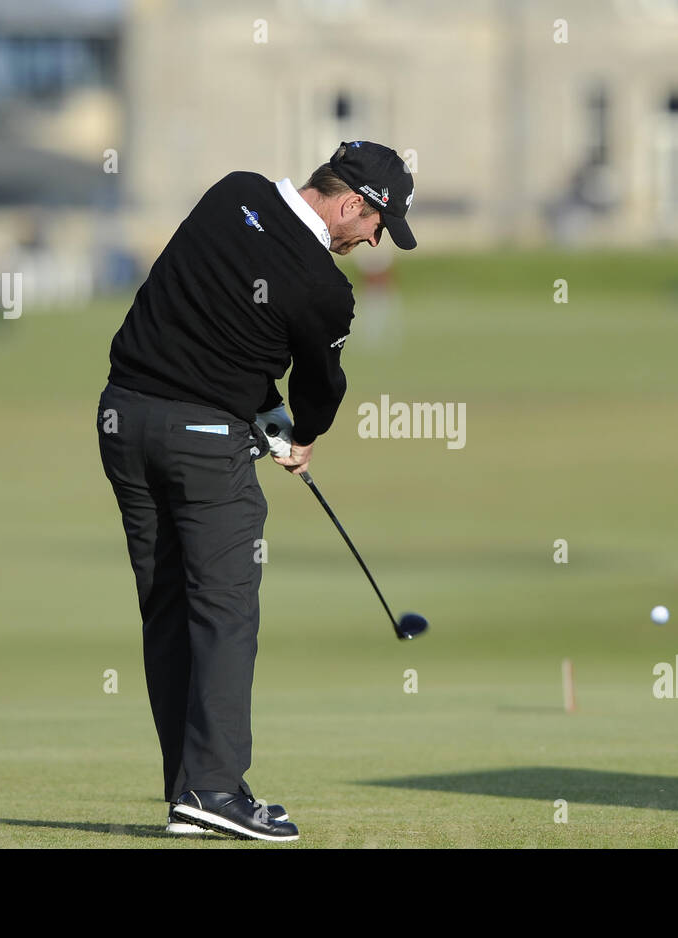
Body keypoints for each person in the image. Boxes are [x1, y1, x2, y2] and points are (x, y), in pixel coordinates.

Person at [96, 141, 416, 841]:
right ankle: (213, 789)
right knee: (225, 611)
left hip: (123, 421)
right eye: (376, 227)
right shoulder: (323, 289)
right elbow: (320, 389)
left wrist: (260, 413)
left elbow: (203, 309)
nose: (372, 241)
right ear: (352, 203)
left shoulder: (230, 192)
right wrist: (299, 432)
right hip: (204, 446)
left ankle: (189, 790)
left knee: (169, 606)